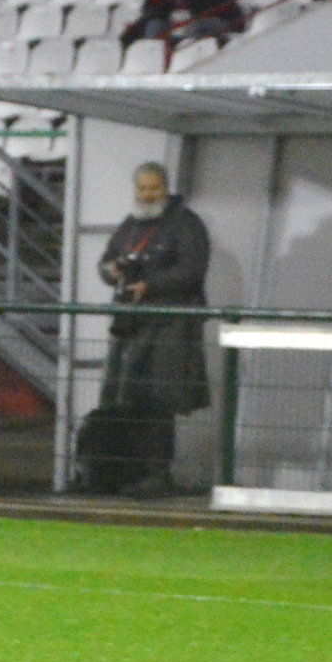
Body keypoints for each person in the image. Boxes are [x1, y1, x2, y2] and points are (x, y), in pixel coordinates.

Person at [84, 162, 209, 497]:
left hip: (171, 325)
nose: (148, 195)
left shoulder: (187, 224)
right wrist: (111, 271)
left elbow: (192, 270)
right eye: (142, 189)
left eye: (154, 188)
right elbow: (107, 261)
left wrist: (150, 286)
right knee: (126, 399)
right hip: (131, 325)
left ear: (166, 187)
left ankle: (157, 473)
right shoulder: (131, 225)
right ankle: (127, 472)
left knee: (159, 401)